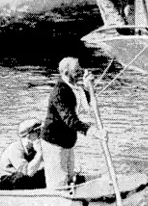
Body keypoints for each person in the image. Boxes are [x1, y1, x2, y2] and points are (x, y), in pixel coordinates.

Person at [41, 57, 107, 189]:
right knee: (58, 183)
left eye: (80, 68)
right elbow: (70, 119)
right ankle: (58, 202)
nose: (81, 72)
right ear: (66, 73)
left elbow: (81, 104)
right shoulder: (59, 92)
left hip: (68, 141)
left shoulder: (74, 88)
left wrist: (88, 87)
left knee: (70, 176)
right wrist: (93, 132)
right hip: (54, 142)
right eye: (76, 70)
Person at [0, 119, 45, 190]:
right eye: (38, 132)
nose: (41, 135)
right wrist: (40, 153)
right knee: (21, 178)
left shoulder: (34, 146)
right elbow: (28, 172)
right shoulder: (15, 148)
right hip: (7, 178)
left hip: (24, 175)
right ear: (28, 136)